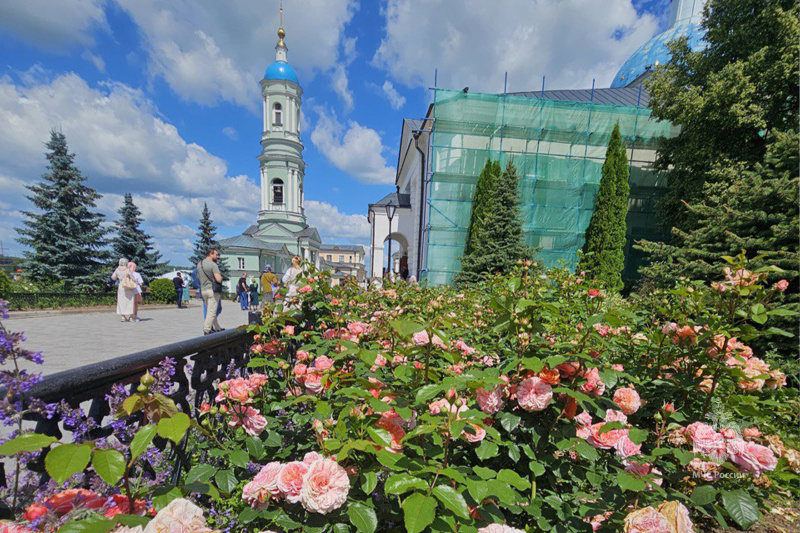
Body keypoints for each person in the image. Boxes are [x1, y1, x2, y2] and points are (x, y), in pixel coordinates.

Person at [197, 248, 224, 335]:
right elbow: (218, 279)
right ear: (211, 254)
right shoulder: (213, 265)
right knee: (212, 311)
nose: (217, 256)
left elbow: (198, 277)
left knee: (211, 310)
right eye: (216, 255)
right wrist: (221, 277)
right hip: (212, 290)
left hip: (203, 290)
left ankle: (217, 328)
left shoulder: (199, 264)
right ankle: (207, 329)